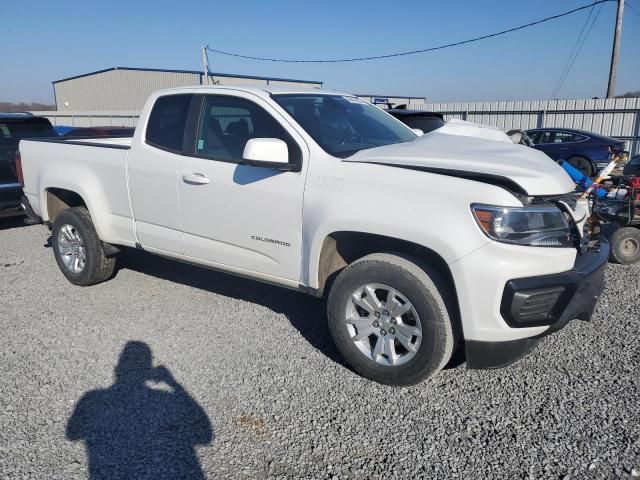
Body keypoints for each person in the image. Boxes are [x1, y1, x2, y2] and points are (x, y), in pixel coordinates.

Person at [66, 341, 213, 479]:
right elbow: (204, 436)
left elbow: (72, 434)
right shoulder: (165, 399)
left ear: (117, 369)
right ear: (148, 372)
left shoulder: (93, 399)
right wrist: (174, 384)